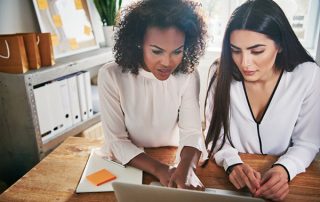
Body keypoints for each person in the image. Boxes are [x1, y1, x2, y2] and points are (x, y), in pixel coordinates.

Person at [204, 0, 320, 201]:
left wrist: (284, 169)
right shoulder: (219, 73)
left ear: (280, 45)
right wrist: (232, 163)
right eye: (236, 50)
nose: (244, 62)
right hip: (231, 188)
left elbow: (307, 142)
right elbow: (215, 135)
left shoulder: (308, 76)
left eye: (257, 51)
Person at [98, 0, 208, 190]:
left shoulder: (188, 75)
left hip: (176, 157)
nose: (167, 62)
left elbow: (192, 132)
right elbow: (116, 140)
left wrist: (187, 169)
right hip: (134, 163)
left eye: (177, 51)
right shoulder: (111, 75)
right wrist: (160, 170)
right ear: (138, 43)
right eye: (157, 51)